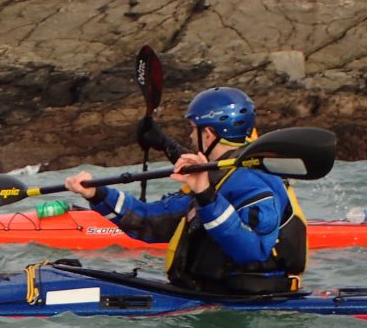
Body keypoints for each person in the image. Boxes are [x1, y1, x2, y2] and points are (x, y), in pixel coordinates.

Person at [65, 87, 307, 295]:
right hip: (210, 296)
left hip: (252, 308)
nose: (191, 136)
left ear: (209, 134)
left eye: (193, 129)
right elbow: (150, 221)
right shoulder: (213, 176)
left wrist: (206, 195)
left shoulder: (255, 181)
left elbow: (253, 251)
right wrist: (97, 194)